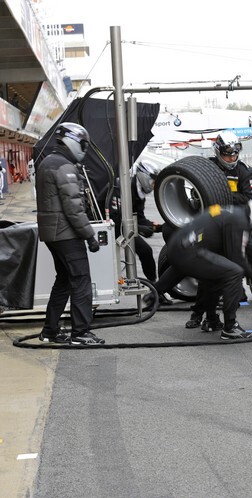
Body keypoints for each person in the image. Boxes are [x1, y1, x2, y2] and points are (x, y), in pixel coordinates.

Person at [153, 204, 252, 340]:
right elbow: (238, 260)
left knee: (217, 274)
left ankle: (211, 320)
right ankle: (230, 327)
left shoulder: (235, 213)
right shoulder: (239, 221)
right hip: (190, 251)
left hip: (179, 246)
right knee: (234, 272)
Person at [36, 122, 104, 345]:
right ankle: (80, 333)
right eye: (83, 144)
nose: (84, 149)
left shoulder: (46, 162)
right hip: (67, 234)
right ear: (74, 141)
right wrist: (90, 237)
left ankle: (50, 331)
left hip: (51, 234)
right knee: (81, 281)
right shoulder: (65, 167)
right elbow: (74, 209)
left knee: (63, 280)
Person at [185, 130, 252, 330]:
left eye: (234, 154)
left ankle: (230, 322)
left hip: (233, 230)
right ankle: (200, 314)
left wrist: (220, 195)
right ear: (218, 152)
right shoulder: (207, 167)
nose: (231, 158)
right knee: (206, 275)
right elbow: (195, 193)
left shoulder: (245, 171)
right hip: (210, 229)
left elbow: (250, 199)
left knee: (233, 274)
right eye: (227, 154)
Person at [110, 160, 167, 300]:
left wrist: (158, 227)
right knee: (145, 250)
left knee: (146, 251)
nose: (154, 187)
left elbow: (139, 217)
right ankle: (155, 287)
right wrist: (140, 229)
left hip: (126, 225)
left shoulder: (138, 190)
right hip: (112, 226)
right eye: (153, 183)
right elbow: (116, 219)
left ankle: (155, 287)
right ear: (144, 177)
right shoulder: (121, 187)